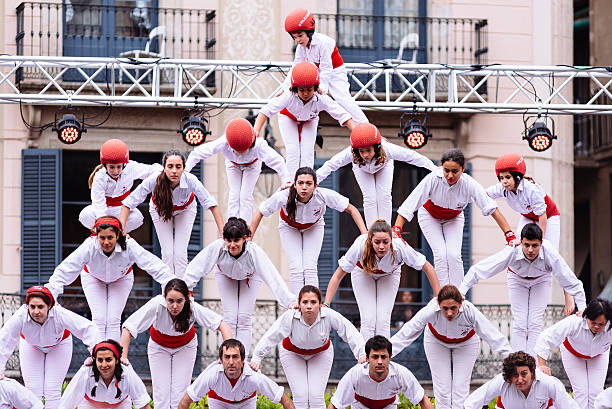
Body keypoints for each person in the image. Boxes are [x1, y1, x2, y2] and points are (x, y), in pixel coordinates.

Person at [394, 148, 517, 287]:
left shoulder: (469, 183)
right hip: (429, 216)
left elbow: (492, 208)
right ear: (442, 168)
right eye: (446, 170)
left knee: (453, 256)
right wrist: (397, 228)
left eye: (454, 171)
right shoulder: (433, 178)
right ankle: (443, 295)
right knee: (441, 255)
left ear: (463, 169)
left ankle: (459, 293)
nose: (450, 175)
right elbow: (411, 203)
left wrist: (509, 235)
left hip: (454, 218)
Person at [459, 223, 587, 356]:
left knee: (535, 323)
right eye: (527, 245)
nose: (530, 250)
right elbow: (482, 268)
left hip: (541, 280)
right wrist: (462, 290)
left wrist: (582, 308)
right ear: (520, 243)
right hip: (517, 280)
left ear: (541, 243)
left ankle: (533, 364)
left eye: (534, 245)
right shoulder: (512, 251)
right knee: (520, 323)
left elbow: (571, 280)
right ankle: (518, 362)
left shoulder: (550, 253)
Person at [46, 216, 175, 341]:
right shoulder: (89, 246)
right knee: (99, 318)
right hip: (93, 278)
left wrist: (170, 285)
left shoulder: (129, 245)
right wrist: (51, 292)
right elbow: (68, 267)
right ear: (96, 236)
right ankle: (98, 357)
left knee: (113, 319)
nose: (106, 242)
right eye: (102, 238)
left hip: (121, 279)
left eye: (110, 237)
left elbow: (151, 263)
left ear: (118, 236)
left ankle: (112, 357)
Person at [183, 218, 295, 354]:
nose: (232, 245)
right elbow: (199, 265)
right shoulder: (218, 247)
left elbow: (271, 275)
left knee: (243, 318)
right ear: (224, 238)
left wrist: (289, 301)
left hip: (250, 276)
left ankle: (243, 359)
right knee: (230, 317)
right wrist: (185, 289)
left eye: (236, 240)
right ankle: (227, 356)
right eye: (228, 240)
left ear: (245, 238)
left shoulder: (254, 251)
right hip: (225, 275)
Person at [390, 285, 512, 409]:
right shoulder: (430, 310)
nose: (449, 313)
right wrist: (387, 352)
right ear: (438, 303)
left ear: (461, 303)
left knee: (460, 389)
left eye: (453, 308)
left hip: (466, 344)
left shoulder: (470, 310)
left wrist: (512, 358)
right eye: (445, 308)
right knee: (442, 390)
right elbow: (408, 331)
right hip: (436, 342)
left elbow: (491, 334)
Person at [250, 167, 367, 294]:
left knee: (310, 267)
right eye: (300, 183)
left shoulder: (323, 195)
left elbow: (352, 209)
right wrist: (249, 238)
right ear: (295, 185)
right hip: (289, 227)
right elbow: (260, 212)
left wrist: (365, 235)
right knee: (297, 268)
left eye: (308, 183)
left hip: (313, 227)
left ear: (315, 185)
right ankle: (297, 304)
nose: (304, 187)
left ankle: (313, 301)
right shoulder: (284, 196)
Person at [120, 278, 233, 409]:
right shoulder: (156, 304)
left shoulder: (192, 307)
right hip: (159, 348)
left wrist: (227, 353)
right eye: (171, 301)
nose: (175, 306)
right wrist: (123, 357)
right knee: (161, 394)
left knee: (179, 394)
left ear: (186, 299)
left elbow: (222, 324)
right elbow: (128, 327)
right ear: (164, 298)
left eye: (179, 301)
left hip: (185, 348)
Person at [250, 285, 366, 409]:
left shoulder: (329, 315)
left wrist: (361, 353)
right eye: (305, 302)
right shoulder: (290, 316)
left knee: (316, 396)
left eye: (313, 302)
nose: (309, 306)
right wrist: (257, 358)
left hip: (321, 354)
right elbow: (272, 335)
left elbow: (348, 330)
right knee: (301, 395)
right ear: (298, 304)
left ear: (320, 304)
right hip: (292, 353)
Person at [324, 220, 440, 340]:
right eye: (377, 242)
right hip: (363, 273)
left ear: (391, 239)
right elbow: (338, 275)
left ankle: (383, 357)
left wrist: (439, 297)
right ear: (370, 240)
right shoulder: (360, 245)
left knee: (383, 320)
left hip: (389, 275)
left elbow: (427, 267)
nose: (381, 246)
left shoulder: (399, 247)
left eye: (385, 242)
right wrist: (326, 303)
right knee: (368, 319)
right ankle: (366, 357)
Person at [487, 152, 574, 311]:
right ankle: (521, 279)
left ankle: (568, 293)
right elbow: (483, 194)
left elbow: (542, 216)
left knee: (550, 252)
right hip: (528, 217)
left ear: (517, 177)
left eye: (507, 177)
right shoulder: (503, 189)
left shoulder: (532, 190)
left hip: (548, 216)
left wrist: (540, 242)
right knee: (518, 247)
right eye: (501, 178)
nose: (504, 182)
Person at [120, 149, 224, 277]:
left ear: (184, 168)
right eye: (170, 166)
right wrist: (122, 230)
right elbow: (128, 203)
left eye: (178, 167)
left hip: (186, 210)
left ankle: (181, 288)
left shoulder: (191, 179)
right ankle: (168, 288)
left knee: (180, 253)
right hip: (160, 210)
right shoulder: (154, 179)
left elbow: (212, 204)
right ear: (164, 168)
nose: (174, 171)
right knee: (168, 253)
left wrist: (222, 232)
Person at [316, 123, 436, 226]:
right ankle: (372, 231)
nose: (365, 155)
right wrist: (314, 180)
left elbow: (413, 157)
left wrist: (435, 170)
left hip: (384, 165)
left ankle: (385, 228)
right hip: (361, 168)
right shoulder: (351, 154)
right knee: (370, 198)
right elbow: (331, 165)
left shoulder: (388, 149)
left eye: (368, 150)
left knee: (384, 196)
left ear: (377, 147)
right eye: (361, 151)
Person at [0, 286, 100, 409]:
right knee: (32, 389)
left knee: (52, 390)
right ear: (27, 306)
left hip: (59, 345)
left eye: (40, 307)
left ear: (49, 306)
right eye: (32, 307)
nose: (36, 311)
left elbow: (87, 328)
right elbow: (5, 338)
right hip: (31, 346)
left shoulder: (59, 313)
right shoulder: (21, 315)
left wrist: (96, 354)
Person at [253, 61, 355, 178]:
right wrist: (256, 130)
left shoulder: (321, 98)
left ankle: (306, 181)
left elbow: (342, 114)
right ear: (295, 89)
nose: (306, 94)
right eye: (301, 90)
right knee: (293, 151)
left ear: (316, 88)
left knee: (307, 151)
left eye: (309, 89)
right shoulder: (288, 95)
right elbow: (266, 110)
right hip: (288, 117)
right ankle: (291, 183)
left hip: (309, 120)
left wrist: (355, 131)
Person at [184, 118, 292, 224]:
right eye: (237, 151)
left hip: (252, 166)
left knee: (245, 195)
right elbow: (197, 153)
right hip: (232, 165)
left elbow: (278, 161)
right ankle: (233, 224)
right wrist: (185, 170)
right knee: (234, 195)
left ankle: (244, 225)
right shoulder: (223, 142)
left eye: (244, 150)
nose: (241, 154)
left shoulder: (259, 145)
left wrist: (286, 181)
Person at [283, 8, 368, 125]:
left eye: (300, 36)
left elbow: (327, 68)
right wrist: (285, 88)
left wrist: (321, 88)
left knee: (343, 99)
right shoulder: (300, 47)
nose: (297, 40)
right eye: (294, 37)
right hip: (319, 71)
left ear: (309, 31)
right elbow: (296, 68)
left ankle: (366, 126)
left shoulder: (323, 43)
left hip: (335, 71)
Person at [535, 298, 612, 409]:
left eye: (601, 324)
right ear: (586, 317)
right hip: (572, 353)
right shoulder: (574, 322)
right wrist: (542, 365)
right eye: (593, 322)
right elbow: (546, 337)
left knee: (596, 391)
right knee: (581, 390)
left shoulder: (610, 328)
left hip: (599, 354)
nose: (596, 327)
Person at [177, 339, 296, 409]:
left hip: (246, 403)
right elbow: (185, 401)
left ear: (243, 359)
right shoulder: (211, 374)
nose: (231, 362)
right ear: (221, 360)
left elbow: (284, 400)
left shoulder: (254, 377)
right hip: (218, 402)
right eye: (227, 357)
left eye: (235, 357)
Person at [327, 335, 434, 409]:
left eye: (383, 357)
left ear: (390, 357)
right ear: (367, 358)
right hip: (360, 406)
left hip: (389, 406)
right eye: (375, 357)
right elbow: (335, 404)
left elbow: (422, 399)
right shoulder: (355, 374)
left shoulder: (400, 373)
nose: (379, 361)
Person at [79, 138, 160, 233]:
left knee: (137, 217)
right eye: (111, 167)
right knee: (84, 215)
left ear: (124, 164)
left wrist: (165, 171)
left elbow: (154, 169)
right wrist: (103, 228)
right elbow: (99, 206)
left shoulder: (131, 167)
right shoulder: (99, 177)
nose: (116, 171)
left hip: (122, 210)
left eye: (119, 167)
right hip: (104, 209)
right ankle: (103, 234)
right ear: (105, 165)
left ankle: (119, 233)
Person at [464, 351, 579, 409]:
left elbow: (569, 406)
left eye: (524, 374)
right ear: (509, 376)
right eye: (515, 375)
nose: (520, 379)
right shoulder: (501, 381)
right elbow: (473, 401)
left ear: (532, 373)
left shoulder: (549, 383)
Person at [59, 340, 152, 409]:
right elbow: (68, 402)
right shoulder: (86, 371)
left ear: (116, 360)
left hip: (120, 405)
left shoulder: (127, 372)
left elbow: (143, 404)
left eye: (108, 359)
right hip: (89, 405)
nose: (104, 365)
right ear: (95, 360)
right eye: (100, 360)